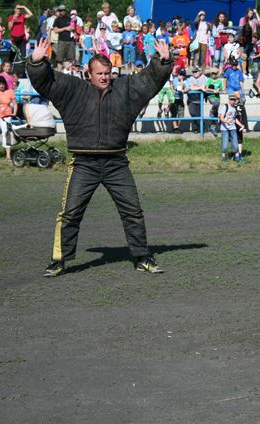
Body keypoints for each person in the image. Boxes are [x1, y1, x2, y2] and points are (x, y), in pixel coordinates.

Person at [27, 38, 172, 277]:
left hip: (117, 163)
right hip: (84, 164)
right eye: (99, 73)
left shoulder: (124, 90)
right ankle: (59, 260)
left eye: (108, 73)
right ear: (88, 74)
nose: (104, 77)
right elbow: (45, 80)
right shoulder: (72, 89)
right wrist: (36, 62)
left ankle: (141, 256)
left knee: (133, 211)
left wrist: (162, 61)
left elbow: (150, 80)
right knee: (70, 213)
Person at [218, 93, 243, 162]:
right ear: (229, 100)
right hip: (224, 128)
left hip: (233, 127)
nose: (232, 101)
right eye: (231, 99)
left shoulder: (235, 108)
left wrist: (241, 125)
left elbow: (234, 119)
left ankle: (237, 158)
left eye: (234, 100)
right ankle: (223, 159)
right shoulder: (225, 107)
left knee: (235, 143)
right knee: (225, 144)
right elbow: (221, 118)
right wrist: (226, 122)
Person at [52, 6, 75, 70]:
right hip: (62, 41)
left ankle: (70, 74)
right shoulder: (57, 20)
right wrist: (65, 28)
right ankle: (59, 73)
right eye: (61, 10)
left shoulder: (70, 19)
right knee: (60, 59)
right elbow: (55, 30)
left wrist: (73, 28)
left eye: (64, 10)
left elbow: (74, 28)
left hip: (71, 41)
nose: (63, 12)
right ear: (59, 11)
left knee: (70, 59)